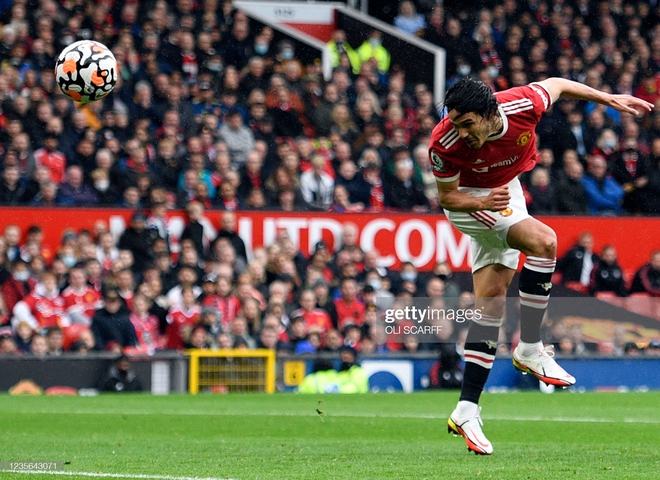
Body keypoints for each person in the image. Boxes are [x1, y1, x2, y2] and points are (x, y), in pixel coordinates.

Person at [428, 76, 652, 455]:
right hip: (470, 204)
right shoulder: (445, 141)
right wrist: (480, 203)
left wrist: (606, 97)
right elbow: (448, 197)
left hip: (505, 188)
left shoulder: (523, 104)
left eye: (467, 124)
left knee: (491, 303)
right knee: (544, 241)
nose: (461, 131)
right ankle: (530, 347)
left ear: (489, 115)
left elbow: (559, 84)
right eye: (455, 122)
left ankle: (466, 409)